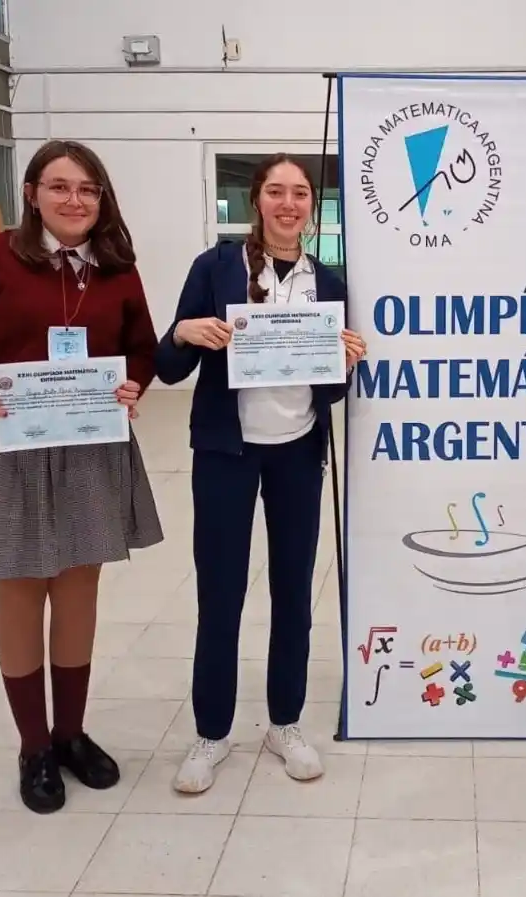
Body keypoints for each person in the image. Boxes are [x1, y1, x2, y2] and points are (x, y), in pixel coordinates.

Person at [0, 139, 164, 814]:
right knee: (20, 590)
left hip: (90, 446)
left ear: (102, 200)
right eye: (59, 186)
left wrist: (133, 383)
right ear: (31, 192)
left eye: (87, 189)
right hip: (13, 444)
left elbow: (142, 348)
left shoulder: (116, 266)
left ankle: (70, 732)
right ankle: (33, 745)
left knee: (78, 588)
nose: (73, 200)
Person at [155, 153, 365, 793]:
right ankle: (212, 732)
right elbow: (166, 369)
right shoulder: (214, 267)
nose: (289, 203)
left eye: (300, 193)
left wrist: (345, 361)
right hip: (227, 452)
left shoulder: (328, 283)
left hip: (297, 453)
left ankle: (284, 721)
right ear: (257, 202)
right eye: (276, 191)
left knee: (295, 592)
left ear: (311, 206)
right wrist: (185, 332)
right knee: (220, 593)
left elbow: (325, 389)